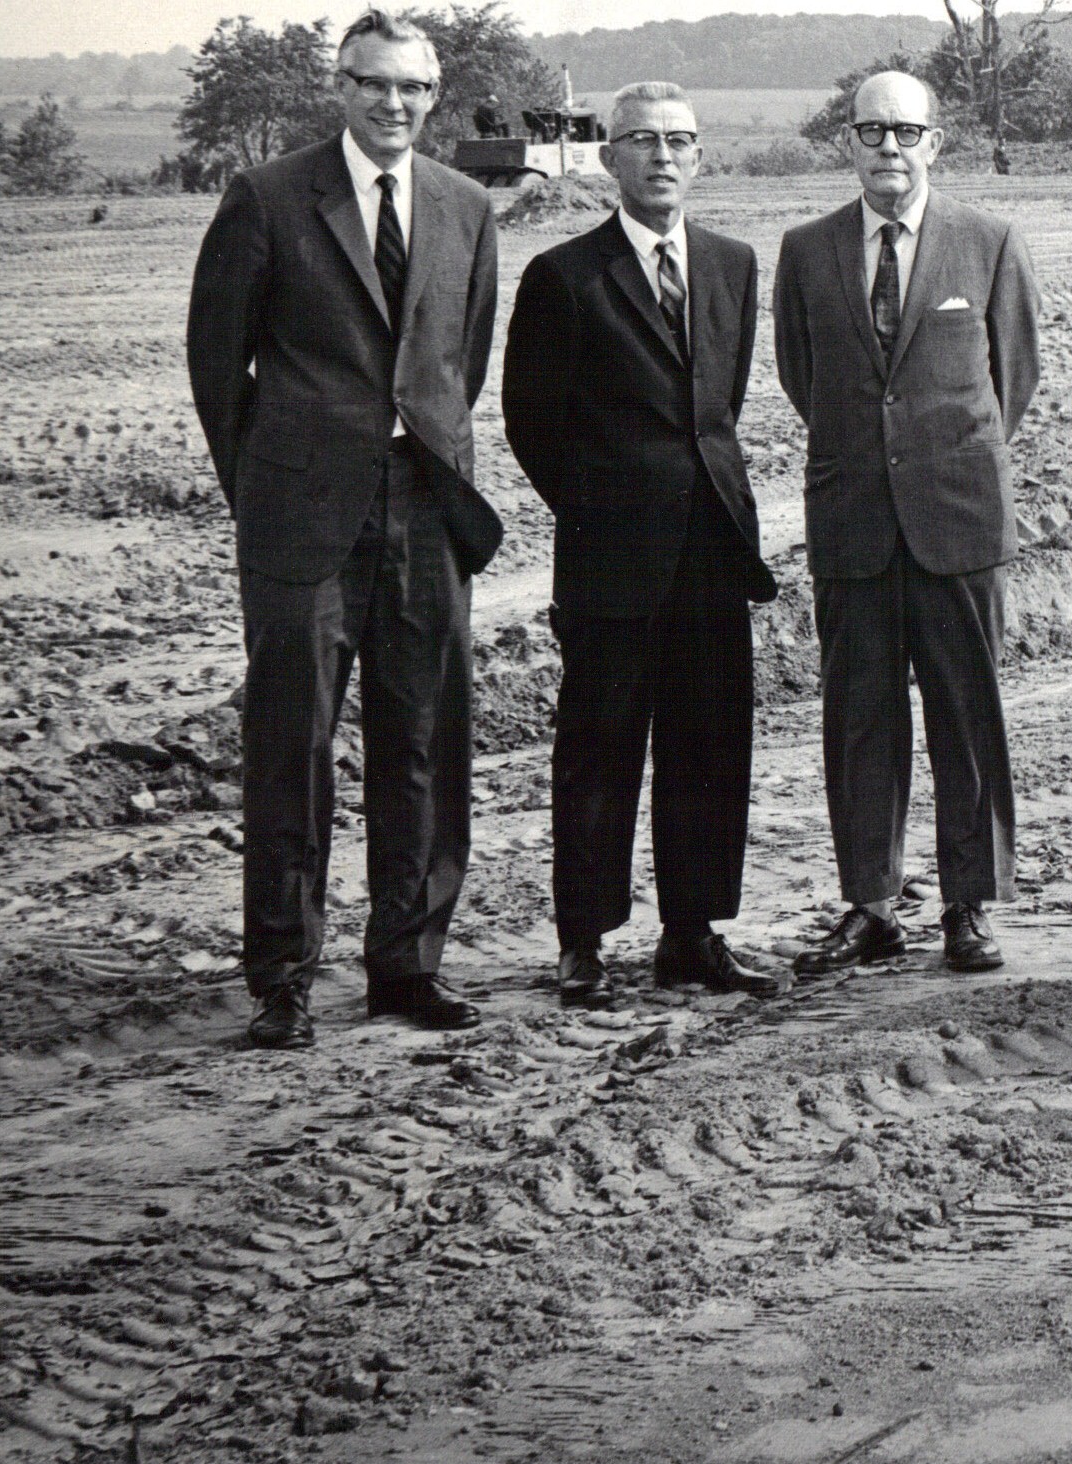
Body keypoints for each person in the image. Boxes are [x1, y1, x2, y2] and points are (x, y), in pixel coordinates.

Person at [187, 10, 503, 1047]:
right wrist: (271, 487)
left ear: (433, 93)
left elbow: (461, 361)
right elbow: (215, 365)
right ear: (341, 86)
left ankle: (406, 965)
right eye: (373, 84)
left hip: (426, 509)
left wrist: (430, 455)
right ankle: (283, 973)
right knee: (293, 743)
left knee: (423, 740)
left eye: (412, 88)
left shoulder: (464, 207)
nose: (394, 104)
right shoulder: (269, 199)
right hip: (300, 519)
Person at [501, 82, 785, 1009]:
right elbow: (531, 423)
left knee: (709, 745)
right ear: (609, 159)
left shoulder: (735, 265)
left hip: (711, 544)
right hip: (611, 556)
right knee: (600, 746)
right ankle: (582, 940)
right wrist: (604, 511)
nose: (663, 157)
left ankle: (692, 934)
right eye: (642, 142)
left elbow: (719, 406)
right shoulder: (565, 277)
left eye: (680, 141)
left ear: (700, 157)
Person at [773, 71, 1042, 978]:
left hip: (957, 519)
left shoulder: (990, 243)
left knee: (967, 717)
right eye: (871, 131)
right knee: (859, 720)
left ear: (937, 141)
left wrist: (942, 459)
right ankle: (871, 904)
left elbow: (1015, 378)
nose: (889, 147)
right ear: (847, 141)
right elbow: (803, 379)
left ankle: (968, 904)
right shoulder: (806, 251)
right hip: (854, 519)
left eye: (906, 132)